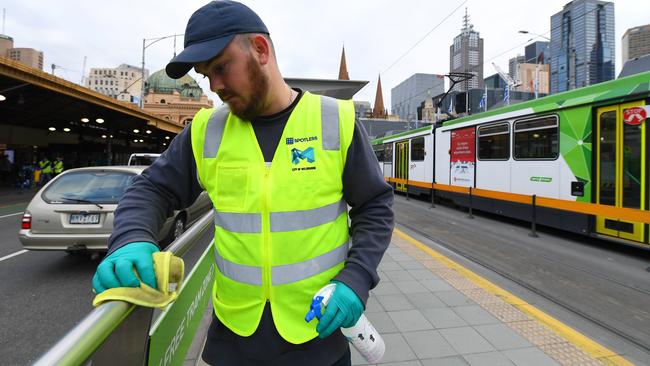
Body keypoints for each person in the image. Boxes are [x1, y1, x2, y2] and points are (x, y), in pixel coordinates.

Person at [92, 1, 394, 365]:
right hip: (233, 340)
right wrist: (131, 239)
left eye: (221, 67)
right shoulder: (205, 131)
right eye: (206, 75)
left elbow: (375, 205)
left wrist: (356, 279)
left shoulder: (336, 120)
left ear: (261, 50)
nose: (215, 85)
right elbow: (151, 189)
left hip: (319, 335)